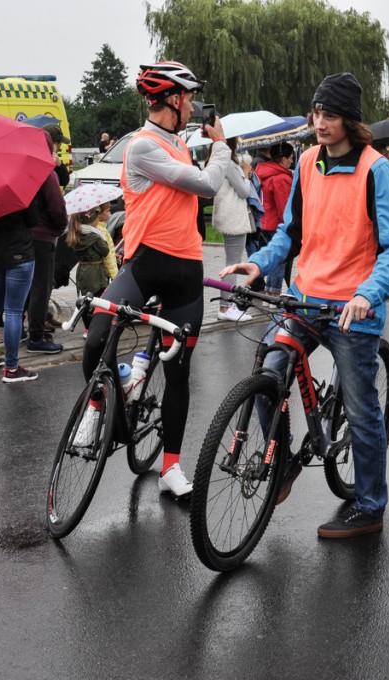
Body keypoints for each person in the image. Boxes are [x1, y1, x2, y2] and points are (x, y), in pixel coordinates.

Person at [220, 72, 389, 538]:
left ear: (350, 120)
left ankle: (369, 508)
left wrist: (368, 294)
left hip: (351, 309)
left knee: (363, 410)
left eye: (330, 114)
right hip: (305, 299)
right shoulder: (306, 162)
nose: (320, 122)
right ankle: (280, 461)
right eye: (316, 113)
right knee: (268, 369)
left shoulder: (375, 169)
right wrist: (258, 265)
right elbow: (291, 232)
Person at [81, 60, 231, 498]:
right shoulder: (144, 145)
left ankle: (170, 467)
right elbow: (206, 185)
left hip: (185, 268)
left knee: (179, 373)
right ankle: (99, 405)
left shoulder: (179, 144)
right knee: (95, 341)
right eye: (190, 99)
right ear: (176, 100)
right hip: (145, 265)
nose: (195, 107)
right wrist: (221, 148)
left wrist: (209, 148)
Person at [0, 174, 61, 383]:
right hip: (18, 252)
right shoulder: (20, 186)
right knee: (13, 310)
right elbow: (32, 219)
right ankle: (12, 368)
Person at [24, 127, 69, 355]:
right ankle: (37, 337)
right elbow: (57, 207)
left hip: (25, 235)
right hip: (44, 236)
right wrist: (60, 227)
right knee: (42, 287)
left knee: (29, 286)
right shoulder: (46, 172)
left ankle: (27, 331)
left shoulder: (24, 169)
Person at [211, 138, 254, 322]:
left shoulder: (221, 160)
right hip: (233, 217)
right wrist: (245, 174)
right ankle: (226, 306)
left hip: (229, 216)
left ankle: (228, 305)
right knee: (233, 263)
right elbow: (244, 191)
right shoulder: (228, 163)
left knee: (232, 262)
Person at [253, 142, 295, 294]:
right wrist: (290, 225)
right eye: (290, 158)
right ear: (283, 159)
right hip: (276, 224)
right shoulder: (280, 178)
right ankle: (274, 294)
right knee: (280, 260)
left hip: (265, 221)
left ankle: (270, 291)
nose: (291, 161)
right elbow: (284, 207)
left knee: (273, 259)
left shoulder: (265, 172)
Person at [66, 201, 113, 331]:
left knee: (86, 300)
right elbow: (105, 251)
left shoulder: (76, 233)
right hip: (96, 272)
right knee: (98, 300)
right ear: (93, 220)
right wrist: (103, 239)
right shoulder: (95, 236)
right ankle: (96, 328)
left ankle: (87, 328)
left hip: (82, 270)